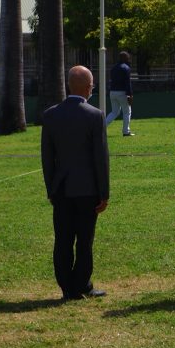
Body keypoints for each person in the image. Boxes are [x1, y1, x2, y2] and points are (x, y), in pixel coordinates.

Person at [40, 65, 110, 300]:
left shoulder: (51, 115)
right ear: (89, 88)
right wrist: (104, 192)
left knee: (62, 239)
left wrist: (51, 187)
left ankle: (67, 287)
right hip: (88, 189)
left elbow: (47, 157)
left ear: (69, 85)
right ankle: (82, 284)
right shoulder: (95, 115)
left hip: (61, 188)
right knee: (84, 240)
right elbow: (100, 158)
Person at [104, 51, 134, 136]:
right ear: (124, 58)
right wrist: (130, 94)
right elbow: (128, 83)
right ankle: (126, 131)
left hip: (112, 92)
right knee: (127, 112)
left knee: (114, 112)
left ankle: (101, 127)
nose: (129, 59)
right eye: (127, 57)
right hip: (122, 92)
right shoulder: (126, 68)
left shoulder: (113, 68)